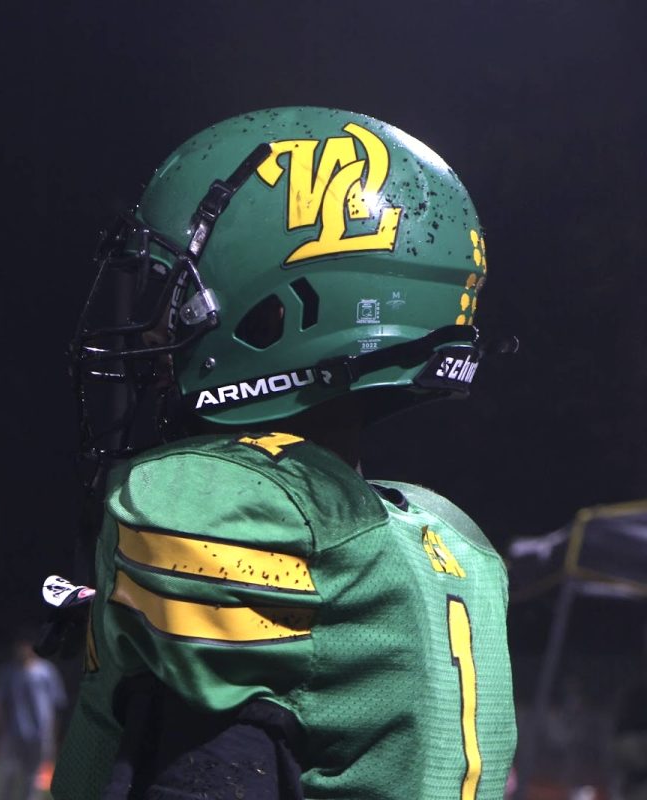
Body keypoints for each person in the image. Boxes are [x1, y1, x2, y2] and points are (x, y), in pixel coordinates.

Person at [49, 107, 517, 799]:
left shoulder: (232, 518)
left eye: (174, 300)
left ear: (281, 310)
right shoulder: (450, 546)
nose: (152, 337)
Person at [0, 629, 67, 800]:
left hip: (41, 732)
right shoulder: (7, 672)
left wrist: (53, 732)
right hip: (14, 731)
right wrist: (2, 728)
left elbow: (56, 703)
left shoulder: (46, 671)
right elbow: (1, 703)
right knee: (8, 773)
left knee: (33, 775)